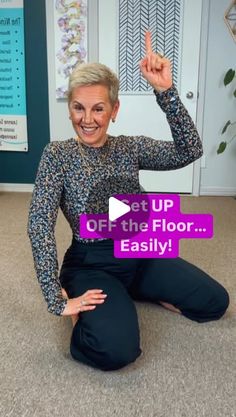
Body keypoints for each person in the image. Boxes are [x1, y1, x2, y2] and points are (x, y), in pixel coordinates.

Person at [28, 32, 229, 371]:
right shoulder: (57, 155)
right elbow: (39, 225)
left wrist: (165, 92)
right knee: (117, 350)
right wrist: (55, 298)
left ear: (114, 109)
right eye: (78, 107)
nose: (87, 119)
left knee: (214, 302)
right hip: (92, 264)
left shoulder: (130, 147)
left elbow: (189, 150)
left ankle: (139, 291)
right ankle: (89, 318)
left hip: (140, 252)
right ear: (70, 109)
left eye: (98, 108)